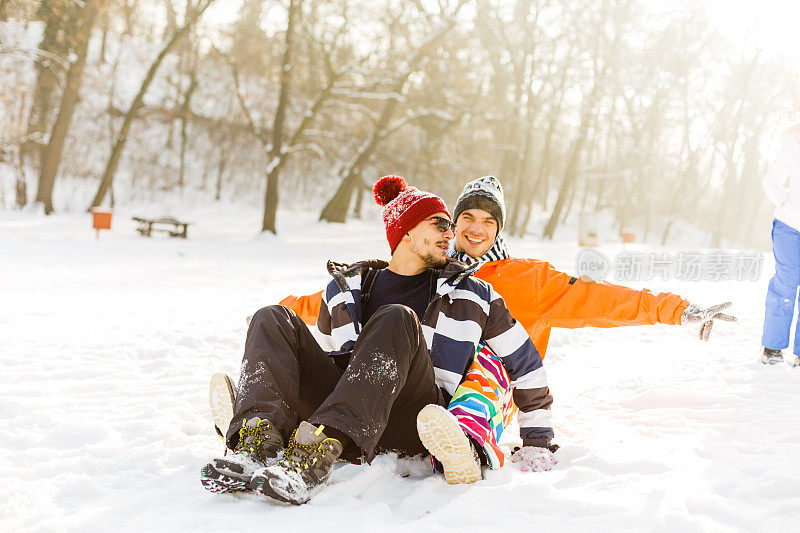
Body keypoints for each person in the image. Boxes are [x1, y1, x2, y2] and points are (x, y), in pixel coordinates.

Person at [276, 175, 737, 478]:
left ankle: (463, 447)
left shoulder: (528, 279)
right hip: (421, 380)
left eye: (488, 221)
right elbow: (350, 300)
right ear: (451, 224)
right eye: (466, 219)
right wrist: (282, 315)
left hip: (496, 386)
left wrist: (680, 309)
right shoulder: (430, 269)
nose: (475, 229)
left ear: (499, 229)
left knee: (485, 366)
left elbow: (606, 300)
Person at [201, 175, 553, 504]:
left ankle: (314, 455)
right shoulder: (344, 289)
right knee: (271, 316)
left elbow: (525, 362)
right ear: (406, 232)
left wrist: (538, 440)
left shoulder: (473, 293)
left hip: (412, 418)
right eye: (440, 224)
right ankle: (257, 447)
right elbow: (317, 363)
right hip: (351, 412)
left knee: (397, 316)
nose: (451, 234)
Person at [760, 124, 800, 367]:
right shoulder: (794, 143)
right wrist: (785, 201)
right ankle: (772, 348)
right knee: (786, 282)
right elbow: (770, 180)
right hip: (789, 225)